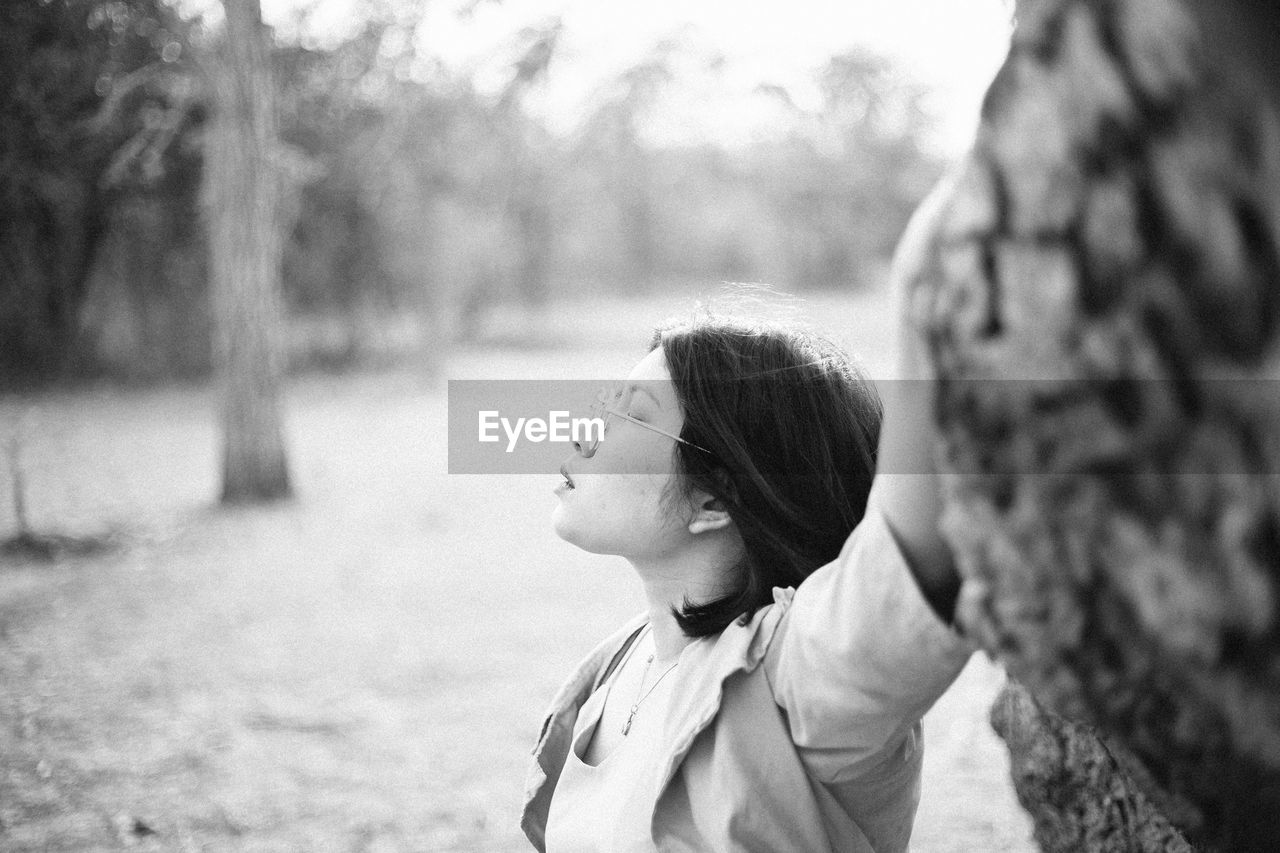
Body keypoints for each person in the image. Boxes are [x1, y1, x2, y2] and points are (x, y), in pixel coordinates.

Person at [523, 270, 971, 849]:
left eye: (628, 418)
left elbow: (912, 550)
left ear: (714, 499)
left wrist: (928, 293)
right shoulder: (619, 665)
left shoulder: (800, 682)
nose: (584, 432)